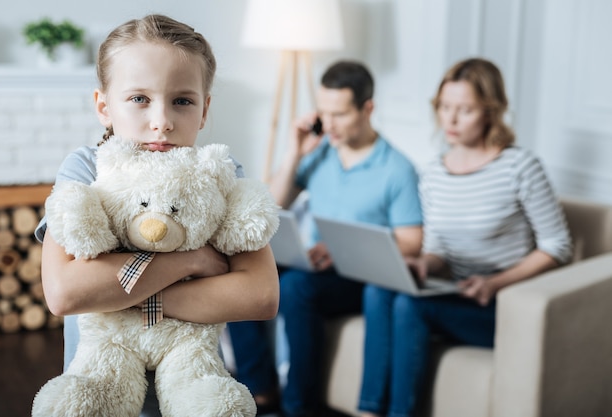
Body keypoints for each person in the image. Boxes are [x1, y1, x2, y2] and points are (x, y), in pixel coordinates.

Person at [34, 14, 279, 416]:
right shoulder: (84, 170)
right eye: (139, 99)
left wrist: (116, 297)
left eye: (182, 101)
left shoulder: (220, 172)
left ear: (204, 110)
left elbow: (259, 295)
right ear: (104, 106)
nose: (162, 121)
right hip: (97, 397)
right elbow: (65, 292)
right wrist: (193, 262)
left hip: (188, 396)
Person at [357, 57, 573, 417]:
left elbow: (557, 245)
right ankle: (368, 411)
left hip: (501, 304)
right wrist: (424, 263)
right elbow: (439, 247)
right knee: (379, 290)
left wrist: (494, 283)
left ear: (491, 111)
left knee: (411, 307)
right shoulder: (434, 172)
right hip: (453, 293)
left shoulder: (520, 167)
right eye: (444, 107)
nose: (451, 119)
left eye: (465, 109)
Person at [228, 60, 424, 417]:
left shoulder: (397, 169)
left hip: (360, 278)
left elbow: (412, 242)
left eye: (340, 114)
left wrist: (341, 251)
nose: (329, 124)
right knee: (242, 265)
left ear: (368, 109)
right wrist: (293, 152)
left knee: (296, 288)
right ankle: (259, 390)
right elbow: (271, 205)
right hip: (315, 264)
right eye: (323, 112)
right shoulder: (321, 153)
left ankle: (300, 406)